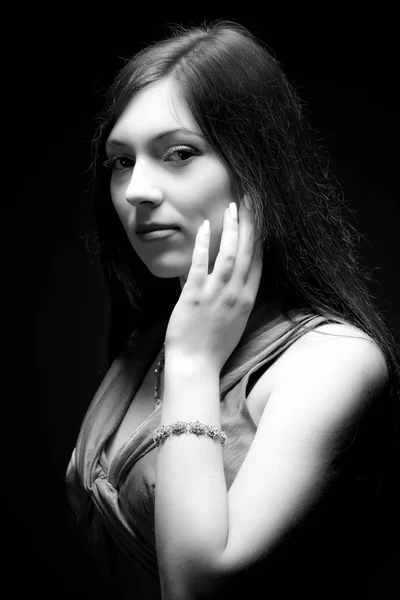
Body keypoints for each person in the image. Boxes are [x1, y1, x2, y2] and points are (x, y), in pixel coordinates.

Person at [66, 20, 400, 599]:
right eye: (121, 161)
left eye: (179, 153)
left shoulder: (333, 363)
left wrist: (194, 360)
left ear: (256, 170)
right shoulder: (150, 335)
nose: (137, 190)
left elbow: (195, 587)